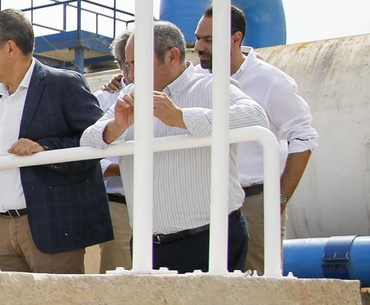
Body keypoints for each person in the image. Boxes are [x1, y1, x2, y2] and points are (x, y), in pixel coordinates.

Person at [82, 21, 268, 273]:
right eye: (128, 64)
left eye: (136, 63)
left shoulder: (209, 86)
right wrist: (117, 126)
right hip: (148, 248)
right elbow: (87, 140)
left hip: (210, 241)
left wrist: (181, 117)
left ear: (172, 55)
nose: (131, 74)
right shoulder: (131, 95)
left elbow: (255, 116)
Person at [0, 9, 111, 273]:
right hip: (2, 232)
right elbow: (3, 157)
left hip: (50, 229)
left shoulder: (64, 84)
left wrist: (46, 150)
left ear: (10, 48)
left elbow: (97, 142)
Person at [193, 4, 318, 274]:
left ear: (236, 39)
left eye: (209, 39)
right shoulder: (195, 79)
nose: (199, 46)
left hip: (254, 203)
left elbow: (304, 136)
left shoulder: (270, 81)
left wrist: (280, 199)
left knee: (259, 286)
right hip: (204, 203)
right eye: (198, 38)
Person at [92, 32, 135, 272]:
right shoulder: (102, 101)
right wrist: (126, 169)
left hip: (161, 205)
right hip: (118, 206)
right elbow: (89, 153)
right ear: (121, 64)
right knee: (118, 282)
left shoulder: (168, 94)